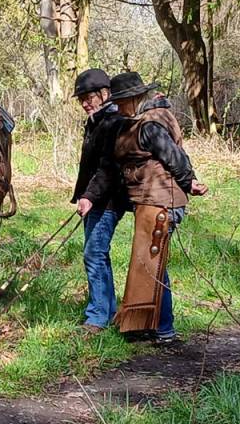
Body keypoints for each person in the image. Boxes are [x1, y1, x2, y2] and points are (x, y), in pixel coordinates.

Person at [79, 72, 207, 345]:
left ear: (134, 98)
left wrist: (191, 182)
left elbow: (175, 157)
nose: (120, 107)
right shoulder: (139, 122)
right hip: (151, 202)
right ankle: (151, 326)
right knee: (150, 264)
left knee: (153, 265)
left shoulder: (149, 125)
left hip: (162, 202)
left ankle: (164, 330)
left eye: (123, 101)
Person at [71, 69, 130, 334]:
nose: (84, 102)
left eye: (88, 97)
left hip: (107, 201)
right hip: (96, 200)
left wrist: (88, 197)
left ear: (104, 94)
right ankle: (107, 311)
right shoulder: (96, 121)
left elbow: (108, 168)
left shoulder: (113, 123)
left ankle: (97, 317)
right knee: (97, 254)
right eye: (80, 98)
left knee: (93, 254)